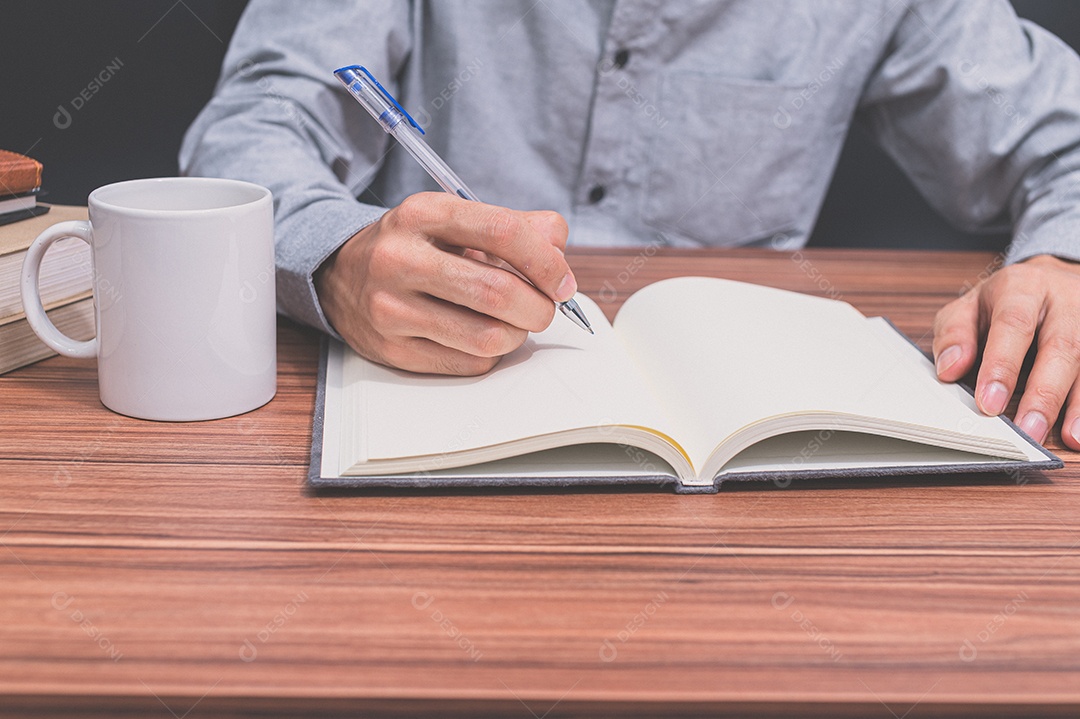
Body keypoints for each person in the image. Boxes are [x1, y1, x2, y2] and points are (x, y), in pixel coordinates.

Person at [181, 0, 1080, 449]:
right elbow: (254, 128)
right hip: (421, 430)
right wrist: (336, 255)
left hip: (755, 495)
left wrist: (1064, 259)